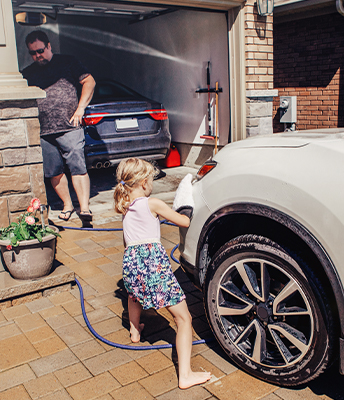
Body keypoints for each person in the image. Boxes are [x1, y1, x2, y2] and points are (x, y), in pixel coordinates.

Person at [113, 158, 211, 390]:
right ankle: (185, 375)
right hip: (153, 266)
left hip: (132, 263)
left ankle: (135, 331)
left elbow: (127, 241)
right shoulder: (153, 203)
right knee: (183, 319)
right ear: (144, 182)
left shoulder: (125, 206)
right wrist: (185, 204)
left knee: (133, 294)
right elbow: (184, 221)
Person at [21, 30, 96, 223]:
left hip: (69, 127)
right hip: (44, 131)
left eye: (40, 50)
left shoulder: (68, 62)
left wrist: (80, 109)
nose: (37, 55)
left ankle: (84, 208)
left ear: (49, 46)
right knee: (54, 172)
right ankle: (68, 205)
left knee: (77, 167)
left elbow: (89, 81)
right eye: (33, 53)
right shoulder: (28, 73)